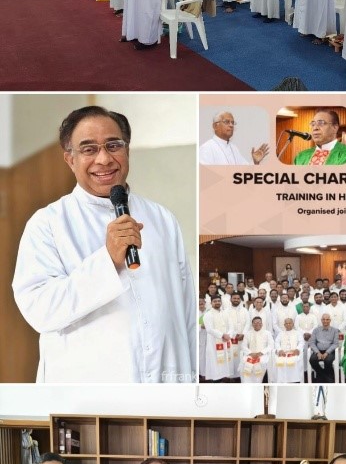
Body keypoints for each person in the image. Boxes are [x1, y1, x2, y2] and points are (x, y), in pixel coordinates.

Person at [12, 105, 196, 384]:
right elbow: (40, 311)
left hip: (165, 385)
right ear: (70, 159)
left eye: (113, 145)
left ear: (127, 150)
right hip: (89, 390)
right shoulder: (47, 224)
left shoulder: (162, 219)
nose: (104, 159)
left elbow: (186, 311)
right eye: (89, 149)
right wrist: (107, 261)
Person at [199, 110, 269, 165]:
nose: (231, 125)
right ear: (215, 126)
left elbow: (244, 172)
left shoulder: (234, 148)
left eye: (232, 123)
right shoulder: (207, 148)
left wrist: (255, 162)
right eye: (226, 122)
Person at [239, 316, 272, 383]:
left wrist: (261, 353)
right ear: (252, 324)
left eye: (259, 322)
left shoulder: (267, 333)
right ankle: (247, 383)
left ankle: (259, 382)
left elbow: (271, 345)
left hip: (262, 355)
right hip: (250, 354)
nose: (257, 324)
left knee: (261, 362)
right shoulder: (248, 333)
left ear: (262, 324)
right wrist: (250, 353)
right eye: (255, 323)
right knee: (245, 362)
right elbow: (243, 345)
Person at [308, 313, 339, 383]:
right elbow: (312, 343)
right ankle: (324, 375)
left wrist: (327, 353)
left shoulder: (335, 330)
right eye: (324, 319)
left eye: (327, 319)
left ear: (330, 320)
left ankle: (323, 377)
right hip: (318, 351)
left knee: (328, 360)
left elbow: (335, 344)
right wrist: (317, 353)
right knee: (312, 360)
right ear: (321, 320)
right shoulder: (316, 330)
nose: (325, 321)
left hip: (330, 351)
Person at [274, 317, 304, 382]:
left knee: (295, 360)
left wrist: (297, 349)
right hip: (283, 353)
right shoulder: (281, 333)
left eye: (290, 323)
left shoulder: (297, 333)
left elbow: (301, 342)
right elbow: (276, 342)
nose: (288, 325)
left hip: (294, 353)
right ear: (284, 325)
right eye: (286, 323)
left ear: (293, 324)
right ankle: (282, 380)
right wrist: (279, 350)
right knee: (280, 361)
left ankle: (294, 380)